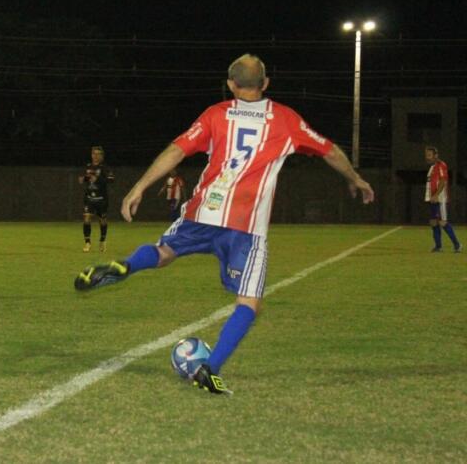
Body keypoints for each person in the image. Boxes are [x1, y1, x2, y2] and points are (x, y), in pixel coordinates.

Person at [75, 54, 375, 395]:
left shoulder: (215, 114)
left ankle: (128, 265)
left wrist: (139, 186)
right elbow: (330, 150)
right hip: (246, 226)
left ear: (231, 84)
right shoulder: (286, 120)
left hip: (203, 211)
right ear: (265, 83)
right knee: (248, 303)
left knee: (164, 252)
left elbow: (176, 150)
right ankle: (210, 368)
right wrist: (355, 178)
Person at [424, 146, 461, 252]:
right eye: (426, 155)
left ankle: (457, 245)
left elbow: (443, 181)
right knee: (433, 222)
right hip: (433, 199)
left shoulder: (441, 165)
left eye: (429, 155)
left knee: (442, 222)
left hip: (440, 199)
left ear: (436, 155)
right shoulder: (432, 167)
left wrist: (436, 195)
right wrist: (430, 196)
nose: (427, 157)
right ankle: (438, 246)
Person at [78, 146, 115, 252]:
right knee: (86, 218)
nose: (95, 156)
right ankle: (87, 243)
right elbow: (81, 178)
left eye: (98, 154)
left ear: (102, 156)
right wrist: (83, 179)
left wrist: (98, 179)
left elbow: (111, 179)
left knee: (102, 221)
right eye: (94, 153)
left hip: (101, 199)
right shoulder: (88, 166)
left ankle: (102, 241)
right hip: (89, 198)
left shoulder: (105, 168)